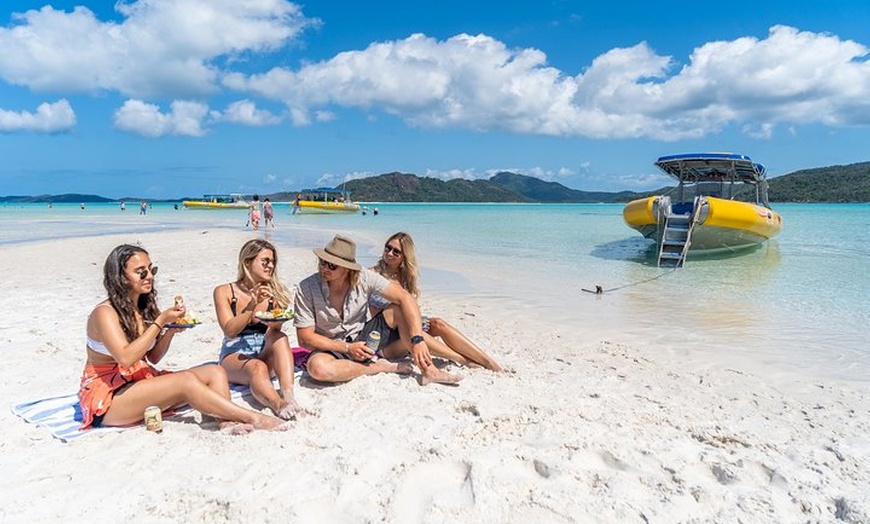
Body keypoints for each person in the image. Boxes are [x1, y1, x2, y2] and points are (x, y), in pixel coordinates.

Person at [79, 244, 284, 434]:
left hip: (138, 381)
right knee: (186, 381)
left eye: (152, 270)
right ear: (120, 277)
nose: (149, 276)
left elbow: (153, 357)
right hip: (109, 398)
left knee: (215, 371)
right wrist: (160, 321)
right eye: (141, 272)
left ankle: (224, 422)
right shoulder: (104, 313)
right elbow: (125, 358)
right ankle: (253, 418)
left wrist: (169, 332)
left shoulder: (140, 307)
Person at [294, 235, 461, 385]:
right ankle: (375, 367)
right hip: (331, 344)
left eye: (331, 265)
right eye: (322, 262)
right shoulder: (306, 288)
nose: (324, 268)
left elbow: (405, 297)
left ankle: (429, 370)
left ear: (346, 268)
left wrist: (418, 340)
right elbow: (305, 339)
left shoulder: (364, 277)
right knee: (317, 369)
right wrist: (346, 348)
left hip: (364, 335)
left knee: (397, 309)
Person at [372, 232, 502, 371]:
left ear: (404, 256)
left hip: (401, 332)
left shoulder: (404, 278)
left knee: (438, 323)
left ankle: (488, 362)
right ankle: (463, 359)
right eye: (388, 248)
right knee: (417, 334)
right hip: (381, 340)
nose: (390, 253)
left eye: (396, 251)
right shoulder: (372, 275)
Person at [214, 239, 306, 419]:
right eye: (265, 261)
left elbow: (273, 329)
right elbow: (229, 331)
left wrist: (276, 312)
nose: (270, 266)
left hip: (263, 350)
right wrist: (251, 305)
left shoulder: (273, 292)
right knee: (256, 367)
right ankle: (278, 404)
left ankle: (289, 397)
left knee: (280, 337)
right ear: (247, 262)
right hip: (234, 354)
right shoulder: (224, 292)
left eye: (273, 262)